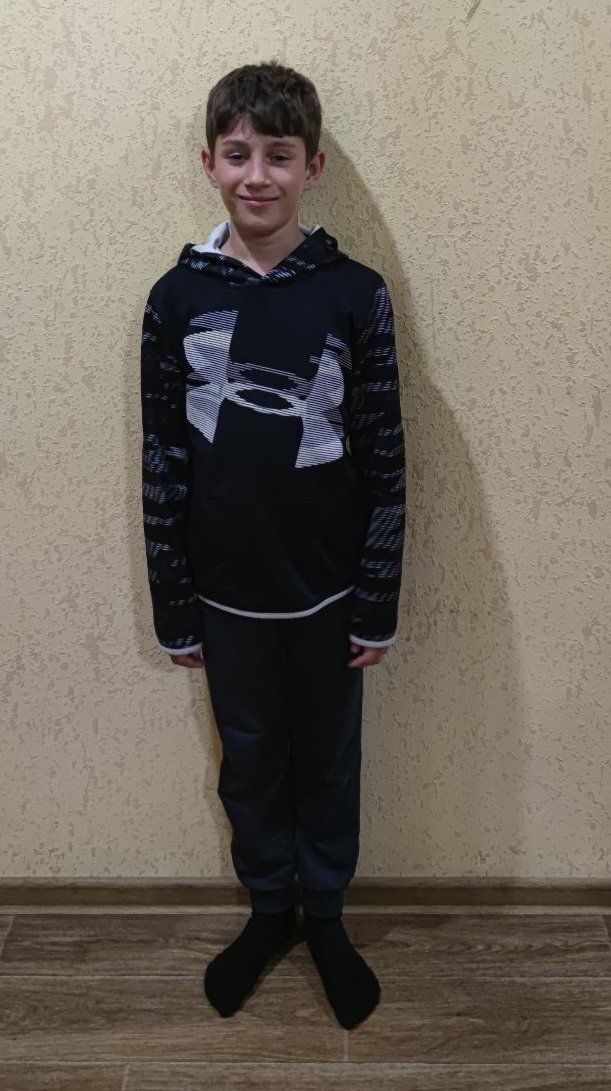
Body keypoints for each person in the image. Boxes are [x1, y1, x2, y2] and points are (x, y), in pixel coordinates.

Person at [140, 59, 407, 1030]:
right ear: (208, 162)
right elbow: (162, 458)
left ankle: (325, 915)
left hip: (329, 591)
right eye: (238, 153)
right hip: (223, 595)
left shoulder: (354, 293)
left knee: (329, 760)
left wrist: (376, 597)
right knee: (248, 761)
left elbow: (384, 454)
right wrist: (174, 605)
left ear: (312, 166)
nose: (258, 175)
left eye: (279, 155)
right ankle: (266, 910)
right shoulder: (175, 298)